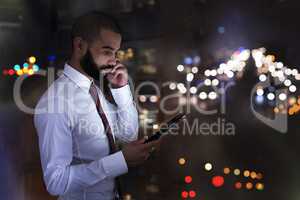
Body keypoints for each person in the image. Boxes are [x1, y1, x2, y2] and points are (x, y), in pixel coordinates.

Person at [34, 11, 160, 200]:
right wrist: (121, 160)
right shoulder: (55, 103)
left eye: (116, 53)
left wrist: (122, 89)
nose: (114, 60)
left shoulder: (96, 89)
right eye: (107, 51)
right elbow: (56, 182)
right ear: (80, 46)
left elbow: (127, 135)